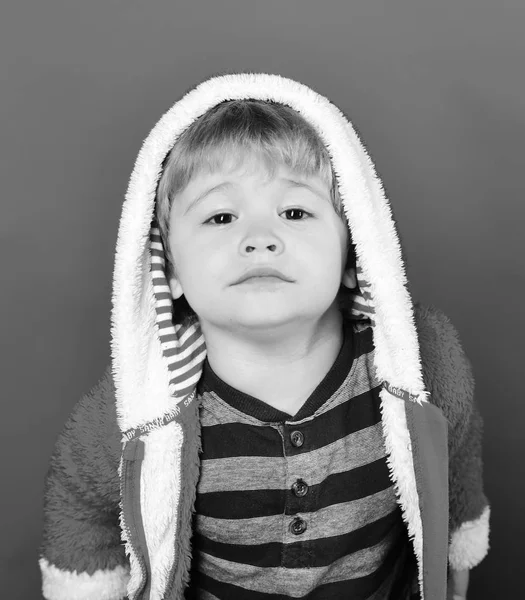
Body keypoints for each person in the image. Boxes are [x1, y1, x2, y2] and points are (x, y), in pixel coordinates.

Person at [38, 71, 490, 600]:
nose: (259, 239)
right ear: (171, 272)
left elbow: (456, 464)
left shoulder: (421, 365)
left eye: (294, 211)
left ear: (354, 254)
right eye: (221, 216)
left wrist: (457, 560)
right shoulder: (138, 410)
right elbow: (79, 505)